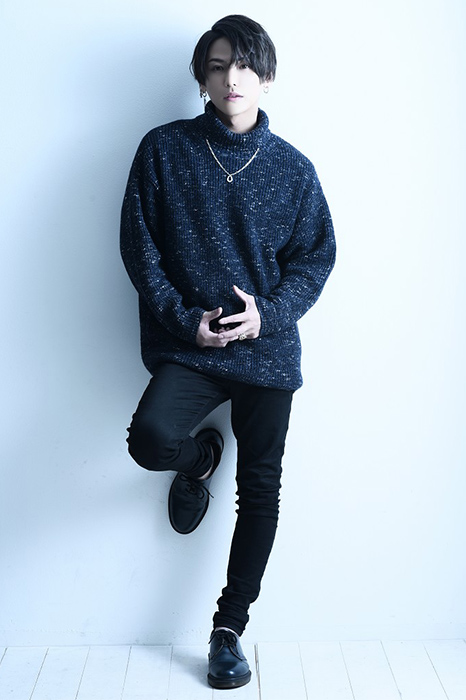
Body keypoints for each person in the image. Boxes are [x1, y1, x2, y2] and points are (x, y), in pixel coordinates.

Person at [120, 14, 336, 689]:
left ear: (266, 77)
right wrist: (188, 324)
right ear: (202, 78)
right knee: (149, 438)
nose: (231, 78)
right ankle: (199, 460)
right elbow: (139, 247)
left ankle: (228, 630)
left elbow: (317, 258)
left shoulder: (294, 170)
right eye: (217, 66)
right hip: (193, 346)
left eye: (243, 65)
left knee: (261, 490)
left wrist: (267, 314)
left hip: (266, 353)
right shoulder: (164, 150)